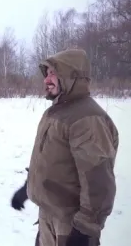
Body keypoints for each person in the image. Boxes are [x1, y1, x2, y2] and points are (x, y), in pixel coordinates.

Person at [10, 48, 119, 246]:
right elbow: (51, 162)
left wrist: (85, 229)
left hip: (70, 224)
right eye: (47, 73)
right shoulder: (57, 112)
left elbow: (99, 181)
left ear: (72, 77)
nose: (46, 79)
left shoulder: (87, 119)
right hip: (48, 216)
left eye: (53, 73)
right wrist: (28, 188)